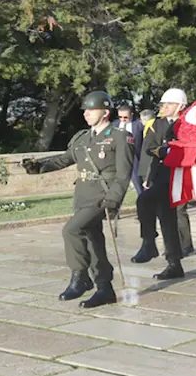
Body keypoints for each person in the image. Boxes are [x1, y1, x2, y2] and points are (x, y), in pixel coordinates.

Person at [21, 91, 132, 308]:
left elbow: (123, 173)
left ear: (105, 112)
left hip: (102, 195)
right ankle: (104, 288)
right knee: (92, 240)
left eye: (92, 110)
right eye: (85, 110)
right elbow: (64, 159)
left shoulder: (119, 137)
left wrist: (114, 199)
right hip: (83, 194)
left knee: (71, 230)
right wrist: (39, 166)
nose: (87, 113)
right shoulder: (82, 138)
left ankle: (80, 277)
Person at [133, 88, 192, 280]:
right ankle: (155, 247)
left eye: (169, 104)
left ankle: (169, 257)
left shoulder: (189, 123)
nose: (164, 107)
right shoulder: (156, 124)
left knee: (170, 218)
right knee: (150, 205)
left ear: (180, 106)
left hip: (182, 174)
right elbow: (149, 148)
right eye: (163, 104)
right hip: (163, 173)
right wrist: (165, 151)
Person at [113, 105, 145, 195]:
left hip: (134, 157)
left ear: (131, 115)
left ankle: (143, 202)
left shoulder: (138, 125)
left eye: (125, 117)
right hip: (118, 158)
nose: (122, 119)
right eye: (120, 117)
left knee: (138, 184)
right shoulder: (114, 125)